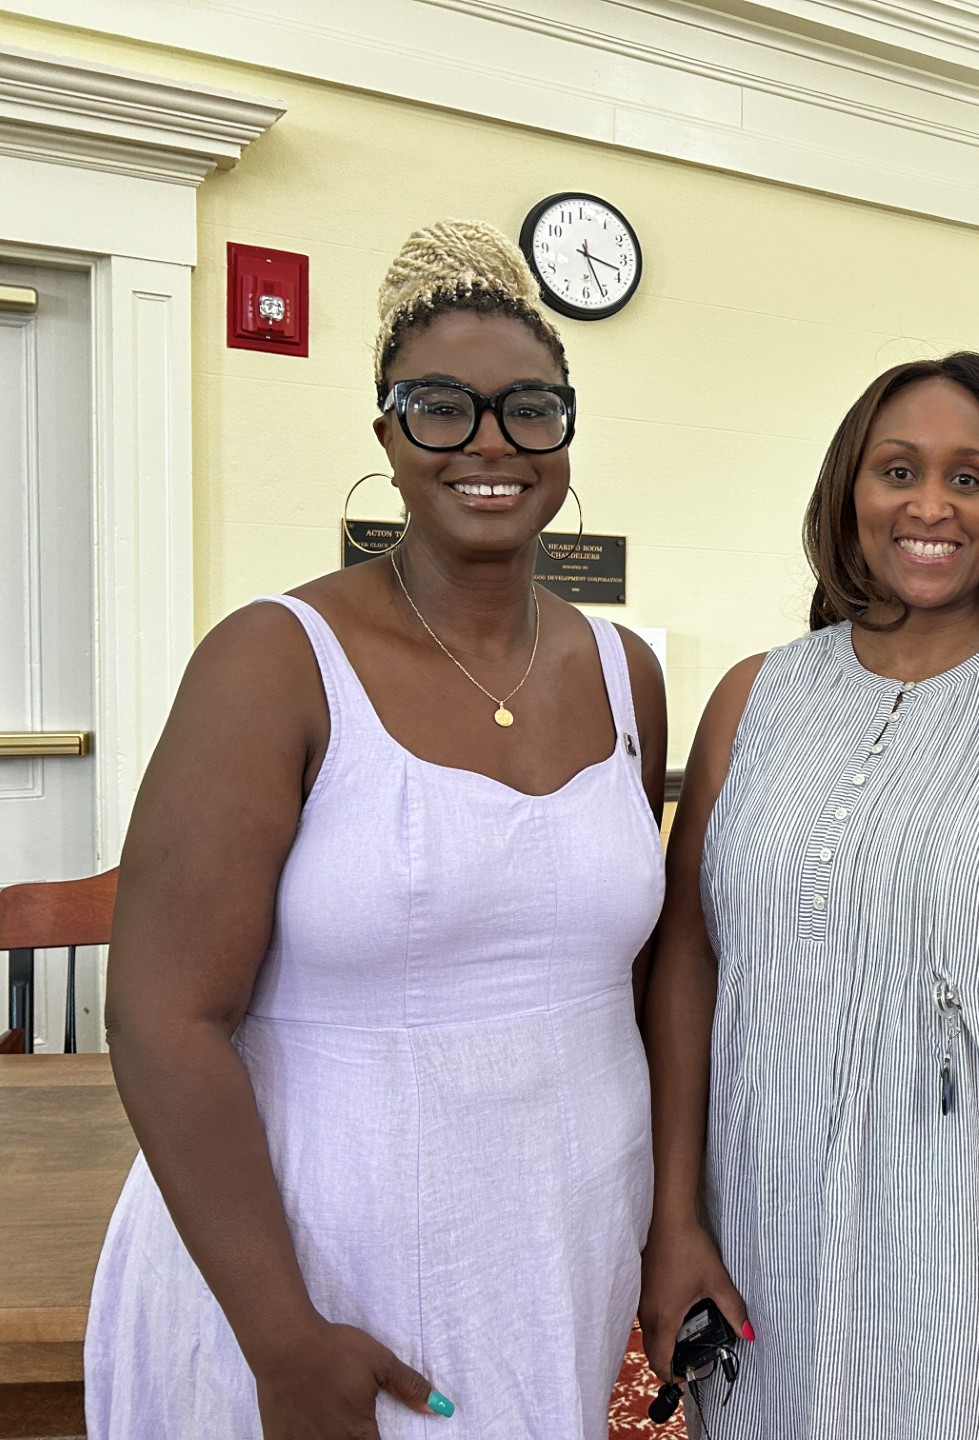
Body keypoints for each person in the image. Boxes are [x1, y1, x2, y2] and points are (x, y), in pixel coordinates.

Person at [85, 219, 668, 1439]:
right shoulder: (273, 659)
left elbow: (636, 975)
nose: (490, 443)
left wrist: (670, 1223)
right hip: (318, 1277)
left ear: (567, 431)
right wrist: (278, 1335)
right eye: (440, 407)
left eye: (529, 408)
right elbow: (160, 1015)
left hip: (557, 1254)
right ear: (388, 435)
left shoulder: (627, 672)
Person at [638, 352, 979, 1440]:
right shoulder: (755, 697)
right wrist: (673, 1219)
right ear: (851, 492)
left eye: (970, 478)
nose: (930, 505)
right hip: (769, 1235)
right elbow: (689, 962)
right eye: (898, 470)